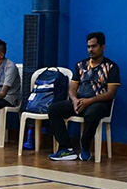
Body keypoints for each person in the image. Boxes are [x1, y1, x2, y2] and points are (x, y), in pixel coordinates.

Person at [48, 32, 121, 162]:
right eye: (88, 47)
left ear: (102, 46)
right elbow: (72, 88)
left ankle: (85, 146)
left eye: (94, 46)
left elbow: (111, 93)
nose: (90, 50)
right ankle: (66, 148)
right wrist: (75, 100)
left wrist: (89, 101)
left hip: (99, 103)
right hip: (80, 102)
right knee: (54, 109)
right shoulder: (80, 65)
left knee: (91, 114)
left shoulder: (111, 67)